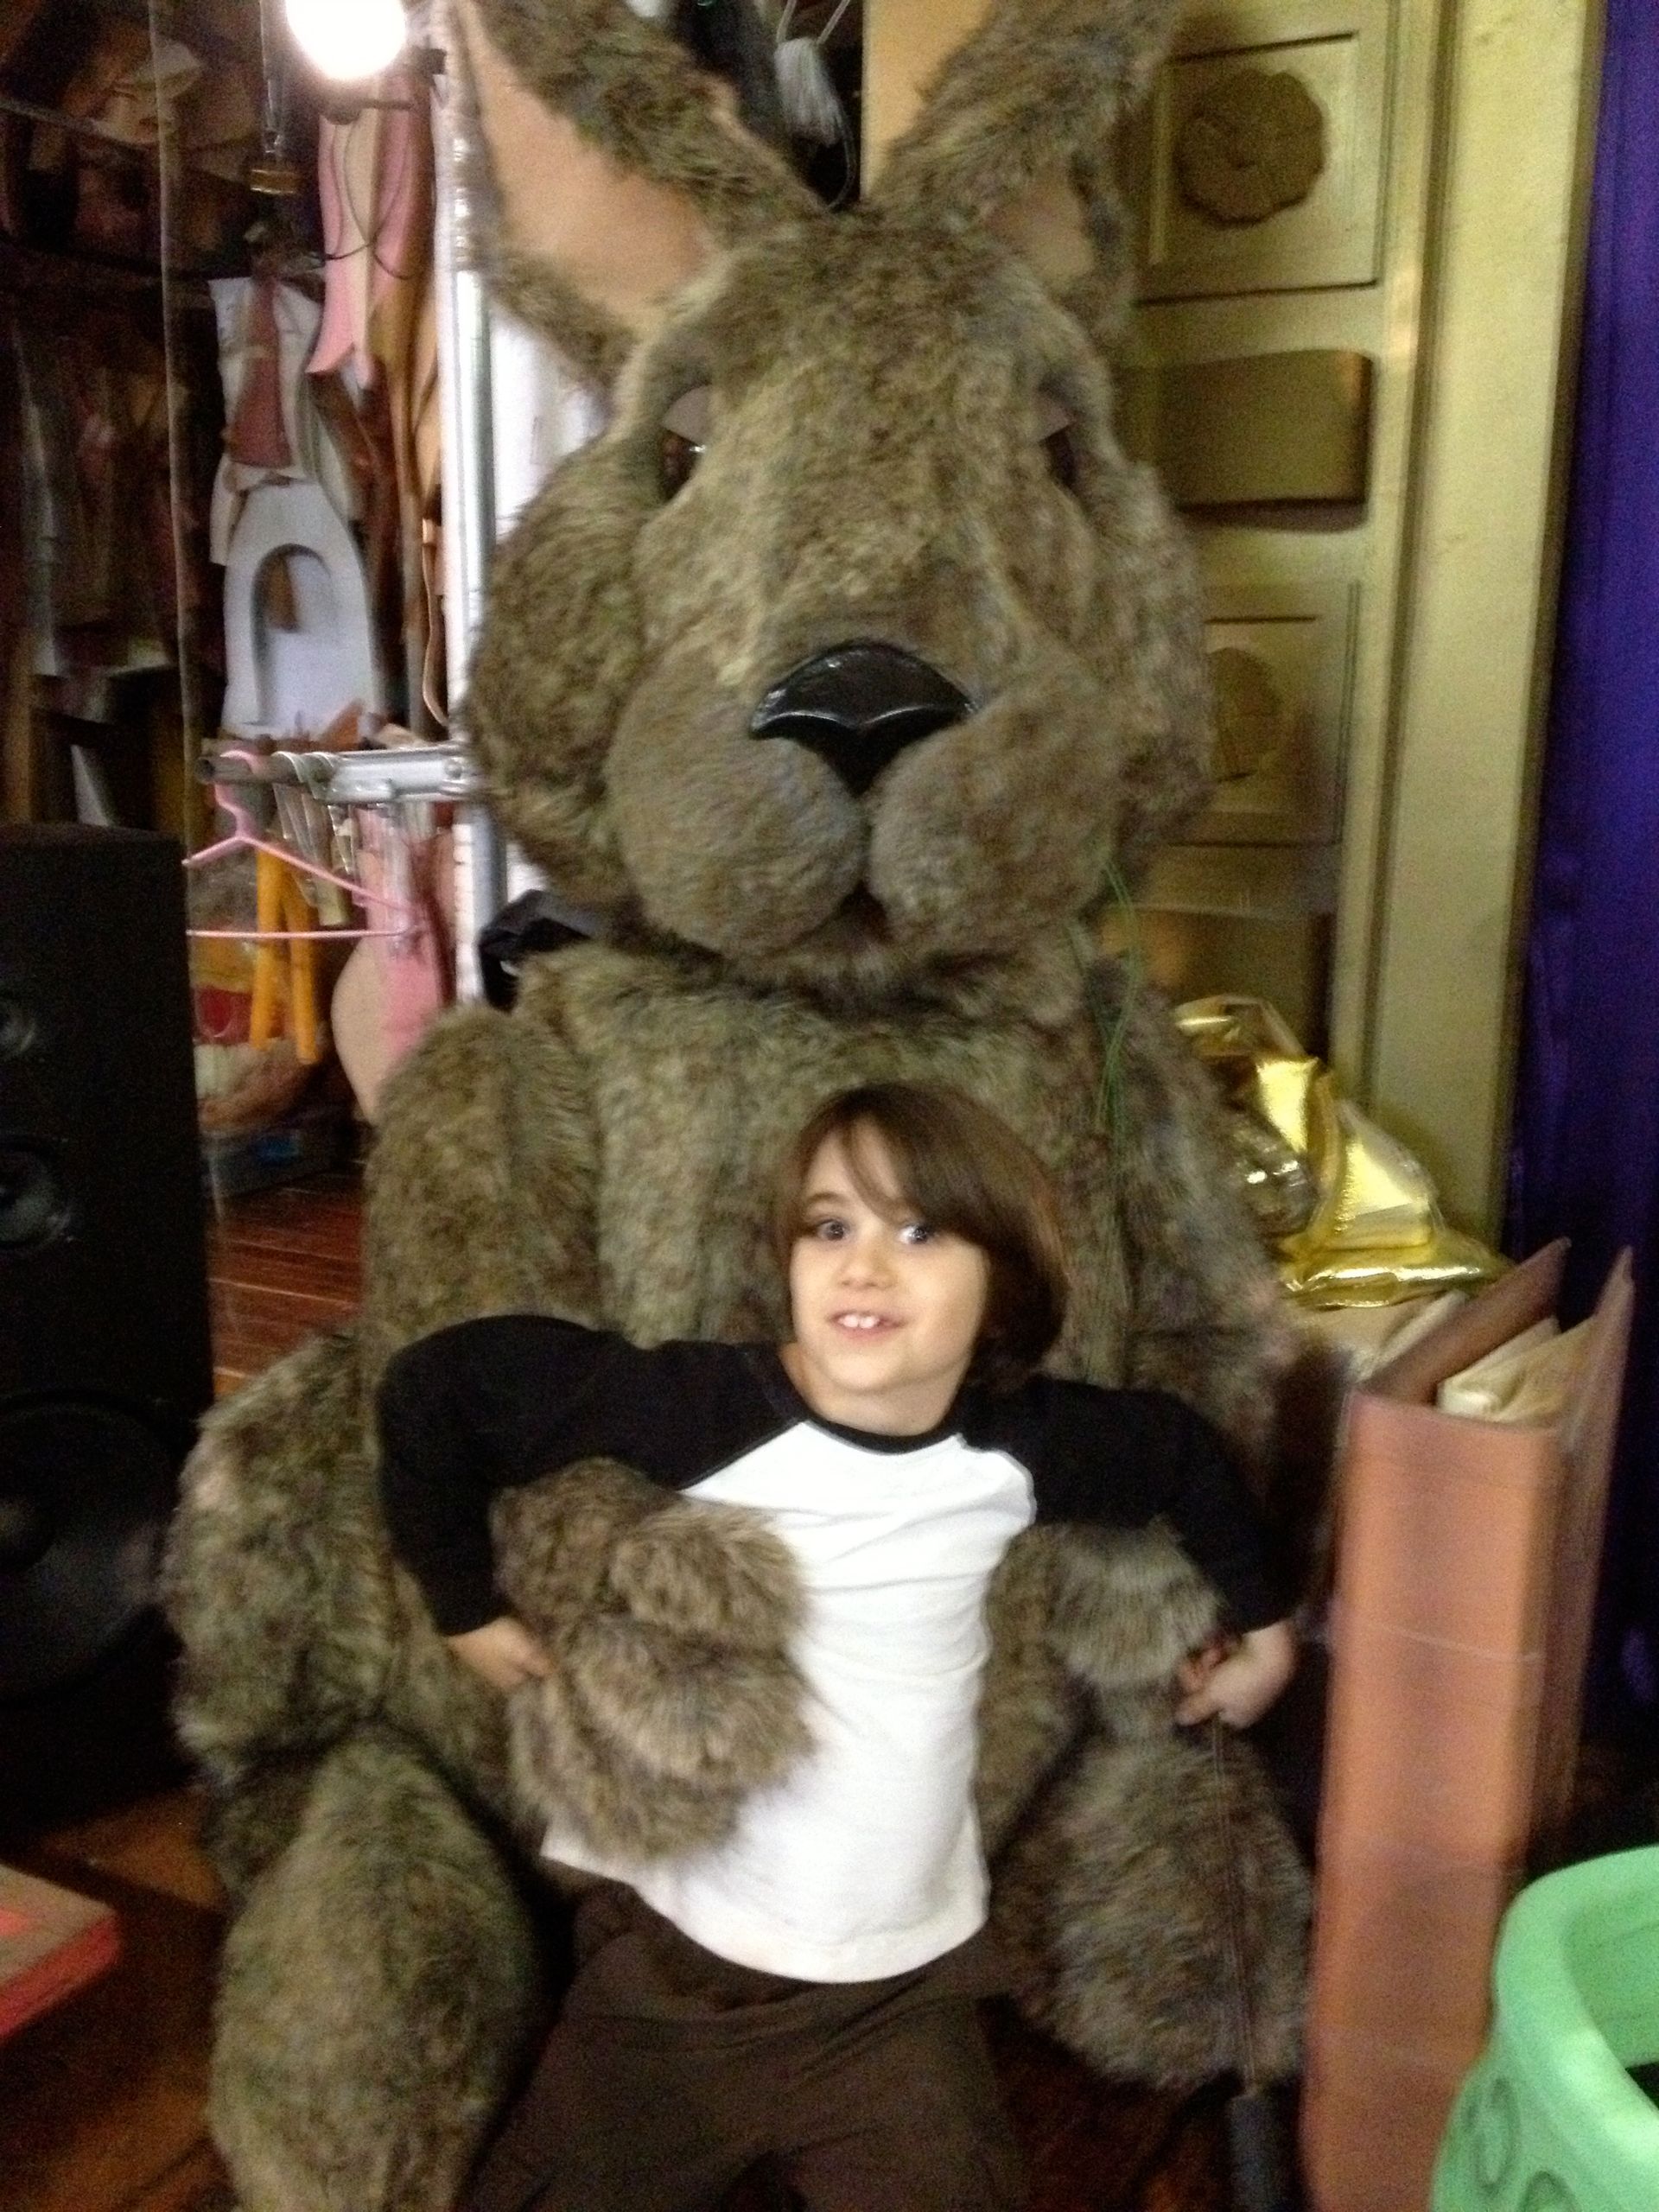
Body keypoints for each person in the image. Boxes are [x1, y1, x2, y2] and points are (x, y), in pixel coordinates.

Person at [377, 1082, 1297, 2212]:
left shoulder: (1019, 1449)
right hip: (681, 1986)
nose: (863, 1265)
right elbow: (438, 1389)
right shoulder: (702, 1411)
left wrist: (1266, 1634)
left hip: (897, 1996)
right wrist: (463, 1607)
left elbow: (1181, 1460)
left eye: (918, 1231)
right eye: (830, 1227)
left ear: (1002, 1287)